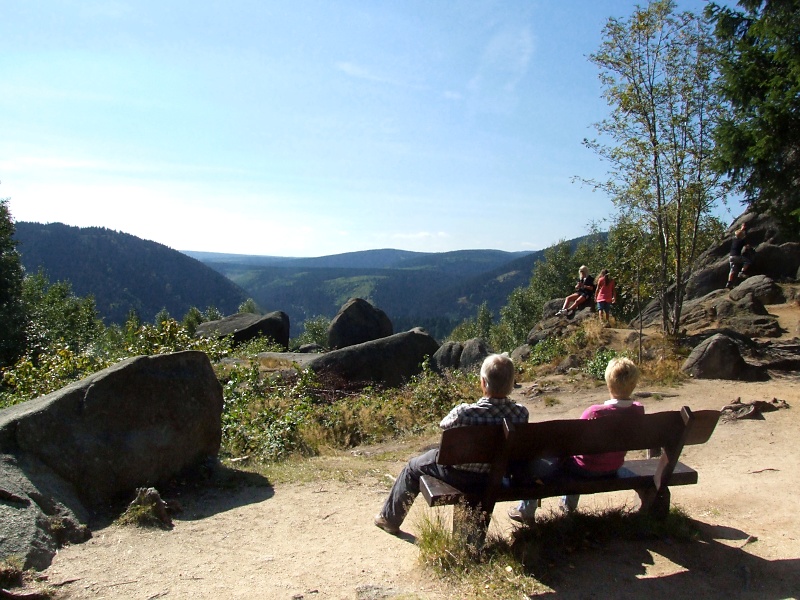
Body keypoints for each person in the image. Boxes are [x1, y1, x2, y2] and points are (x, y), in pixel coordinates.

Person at [374, 354, 529, 535]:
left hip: (458, 474)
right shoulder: (520, 414)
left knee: (412, 467)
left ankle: (389, 519)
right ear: (511, 384)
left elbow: (444, 425)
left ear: (483, 383)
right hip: (494, 475)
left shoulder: (464, 412)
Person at [508, 357, 644, 524]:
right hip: (613, 466)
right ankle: (566, 507)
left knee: (547, 465)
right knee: (577, 459)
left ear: (608, 382)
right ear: (634, 384)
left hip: (585, 469)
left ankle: (526, 510)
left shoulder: (594, 413)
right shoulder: (638, 411)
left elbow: (573, 443)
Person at [726, 224, 748, 289]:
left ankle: (729, 282)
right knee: (747, 261)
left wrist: (741, 229)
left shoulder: (734, 239)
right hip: (737, 256)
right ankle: (742, 272)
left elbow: (738, 234)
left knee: (732, 270)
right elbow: (746, 246)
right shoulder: (742, 241)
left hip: (731, 257)